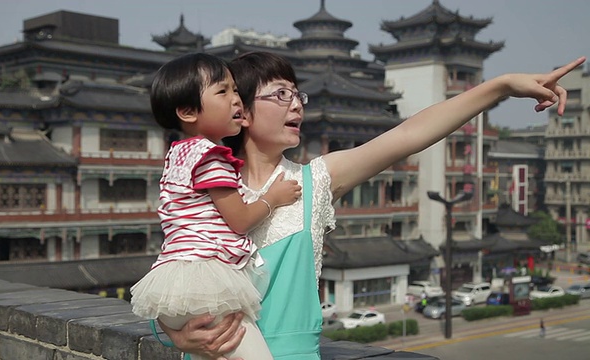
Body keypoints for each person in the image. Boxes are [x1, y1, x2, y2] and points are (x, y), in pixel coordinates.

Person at [157, 52, 586, 359]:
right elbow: (174, 278)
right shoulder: (206, 186)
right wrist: (171, 335)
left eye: (297, 95)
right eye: (280, 94)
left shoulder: (312, 182)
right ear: (241, 111)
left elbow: (409, 135)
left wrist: (500, 86)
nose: (297, 105)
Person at [129, 53, 302, 360]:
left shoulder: (178, 154)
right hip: (207, 283)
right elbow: (239, 220)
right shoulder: (212, 157)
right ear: (187, 111)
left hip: (172, 287)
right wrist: (273, 198)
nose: (236, 100)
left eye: (236, 90)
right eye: (223, 92)